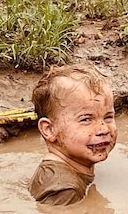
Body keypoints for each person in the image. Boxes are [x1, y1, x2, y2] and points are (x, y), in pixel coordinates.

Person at [29, 64, 117, 205]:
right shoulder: (65, 189)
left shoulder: (72, 164)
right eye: (86, 119)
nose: (104, 129)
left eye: (108, 117)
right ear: (49, 130)